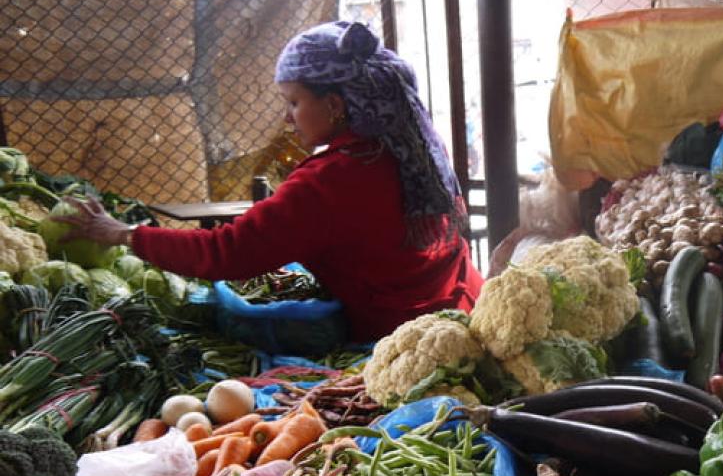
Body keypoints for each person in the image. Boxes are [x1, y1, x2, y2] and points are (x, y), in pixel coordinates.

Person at [56, 21, 484, 342]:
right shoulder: (412, 145)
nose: (286, 118)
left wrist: (125, 234)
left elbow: (226, 253)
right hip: (463, 299)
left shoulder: (330, 181)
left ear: (334, 105)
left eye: (293, 102)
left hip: (401, 335)